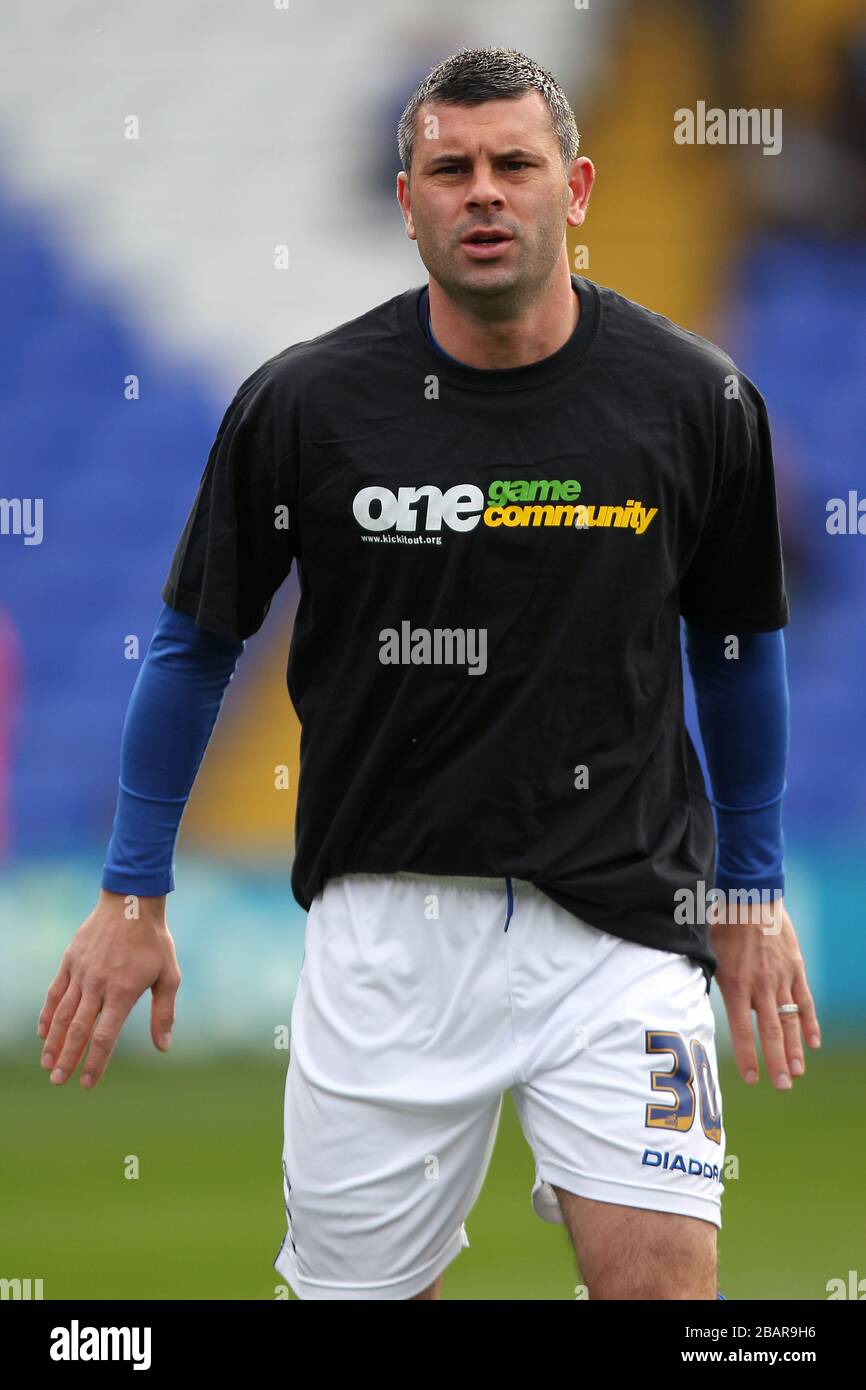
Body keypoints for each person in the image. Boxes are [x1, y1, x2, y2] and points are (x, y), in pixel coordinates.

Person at [38, 45, 820, 1301]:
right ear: (404, 201)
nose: (482, 192)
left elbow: (735, 651)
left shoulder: (695, 400)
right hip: (383, 936)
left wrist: (751, 885)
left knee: (668, 1290)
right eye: (447, 169)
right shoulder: (303, 406)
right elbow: (194, 647)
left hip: (620, 932)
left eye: (513, 163)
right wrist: (132, 893)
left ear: (575, 187)